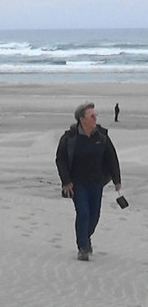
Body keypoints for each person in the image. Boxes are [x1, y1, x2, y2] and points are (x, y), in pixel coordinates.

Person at [56, 102, 122, 261]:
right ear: (82, 119)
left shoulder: (102, 136)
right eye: (91, 115)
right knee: (83, 214)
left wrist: (116, 180)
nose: (95, 118)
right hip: (77, 184)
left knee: (94, 216)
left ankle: (86, 237)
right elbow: (61, 160)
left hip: (97, 183)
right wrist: (66, 182)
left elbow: (112, 158)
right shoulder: (69, 138)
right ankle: (83, 247)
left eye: (95, 115)